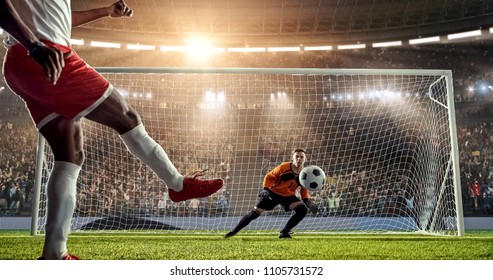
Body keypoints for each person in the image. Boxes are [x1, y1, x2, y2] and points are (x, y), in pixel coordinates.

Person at [0, 0, 223, 260]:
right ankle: (177, 184)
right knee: (127, 117)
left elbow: (56, 21)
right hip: (44, 55)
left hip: (21, 63)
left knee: (69, 153)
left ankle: (53, 254)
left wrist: (105, 11)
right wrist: (35, 46)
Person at [224, 148, 318, 239]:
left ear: (305, 159)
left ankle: (284, 232)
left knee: (302, 210)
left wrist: (307, 202)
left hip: (288, 196)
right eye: (297, 156)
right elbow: (269, 177)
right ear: (293, 158)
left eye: (301, 157)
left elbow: (303, 189)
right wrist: (266, 189)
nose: (299, 159)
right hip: (273, 193)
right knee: (254, 214)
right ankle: (233, 232)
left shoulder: (305, 173)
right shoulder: (284, 167)